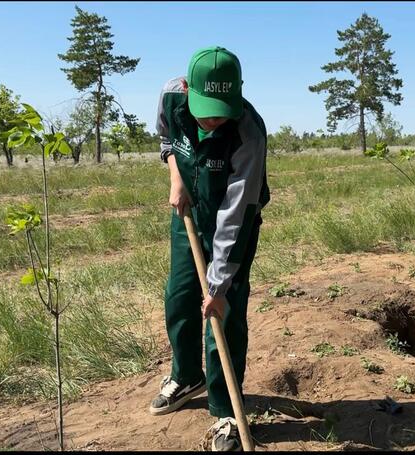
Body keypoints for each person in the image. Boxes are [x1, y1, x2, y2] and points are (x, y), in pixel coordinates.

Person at [152, 46, 270, 452]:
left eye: (223, 109)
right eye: (206, 108)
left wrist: (218, 287)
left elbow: (235, 216)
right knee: (180, 296)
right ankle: (187, 376)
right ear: (188, 89)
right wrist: (175, 177)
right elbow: (166, 134)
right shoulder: (171, 95)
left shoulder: (249, 133)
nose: (214, 118)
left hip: (234, 224)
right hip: (188, 210)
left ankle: (225, 412)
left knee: (223, 315)